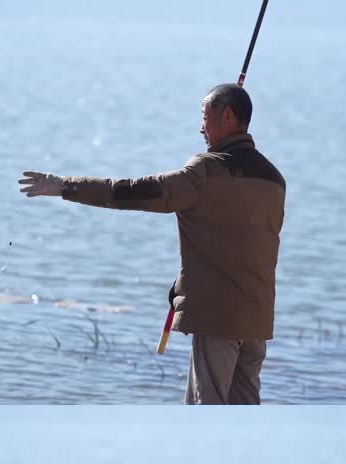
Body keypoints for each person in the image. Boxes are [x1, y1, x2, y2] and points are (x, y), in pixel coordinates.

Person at [17, 84, 285, 405]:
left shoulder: (203, 173)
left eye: (205, 117)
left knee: (207, 414)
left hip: (219, 319)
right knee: (245, 413)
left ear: (227, 116)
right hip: (257, 318)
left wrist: (65, 187)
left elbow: (134, 191)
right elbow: (239, 243)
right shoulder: (274, 179)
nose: (200, 127)